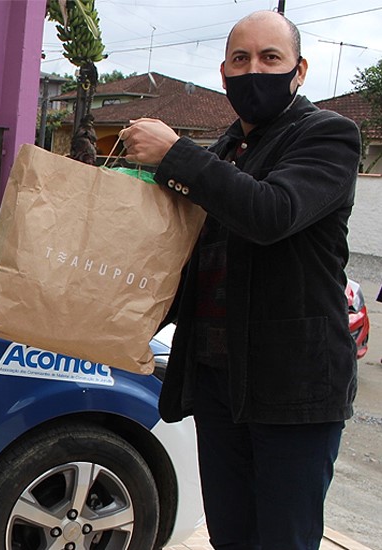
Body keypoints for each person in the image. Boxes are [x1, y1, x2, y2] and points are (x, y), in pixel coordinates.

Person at [120, 10, 360, 550]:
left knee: (282, 539)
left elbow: (271, 213)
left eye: (270, 58)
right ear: (223, 74)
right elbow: (195, 263)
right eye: (241, 59)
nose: (255, 70)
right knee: (230, 534)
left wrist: (177, 154)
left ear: (299, 71)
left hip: (294, 389)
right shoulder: (227, 149)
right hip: (219, 385)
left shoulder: (328, 136)